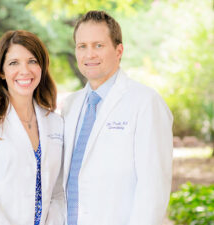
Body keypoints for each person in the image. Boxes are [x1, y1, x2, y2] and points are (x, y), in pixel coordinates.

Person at [61, 11, 173, 225]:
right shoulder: (71, 105)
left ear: (119, 50)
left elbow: (153, 188)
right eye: (82, 46)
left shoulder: (146, 103)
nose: (89, 54)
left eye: (98, 45)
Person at [0, 30, 65, 225]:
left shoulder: (55, 123)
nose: (25, 70)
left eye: (32, 61)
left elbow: (58, 191)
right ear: (1, 71)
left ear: (42, 67)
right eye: (14, 63)